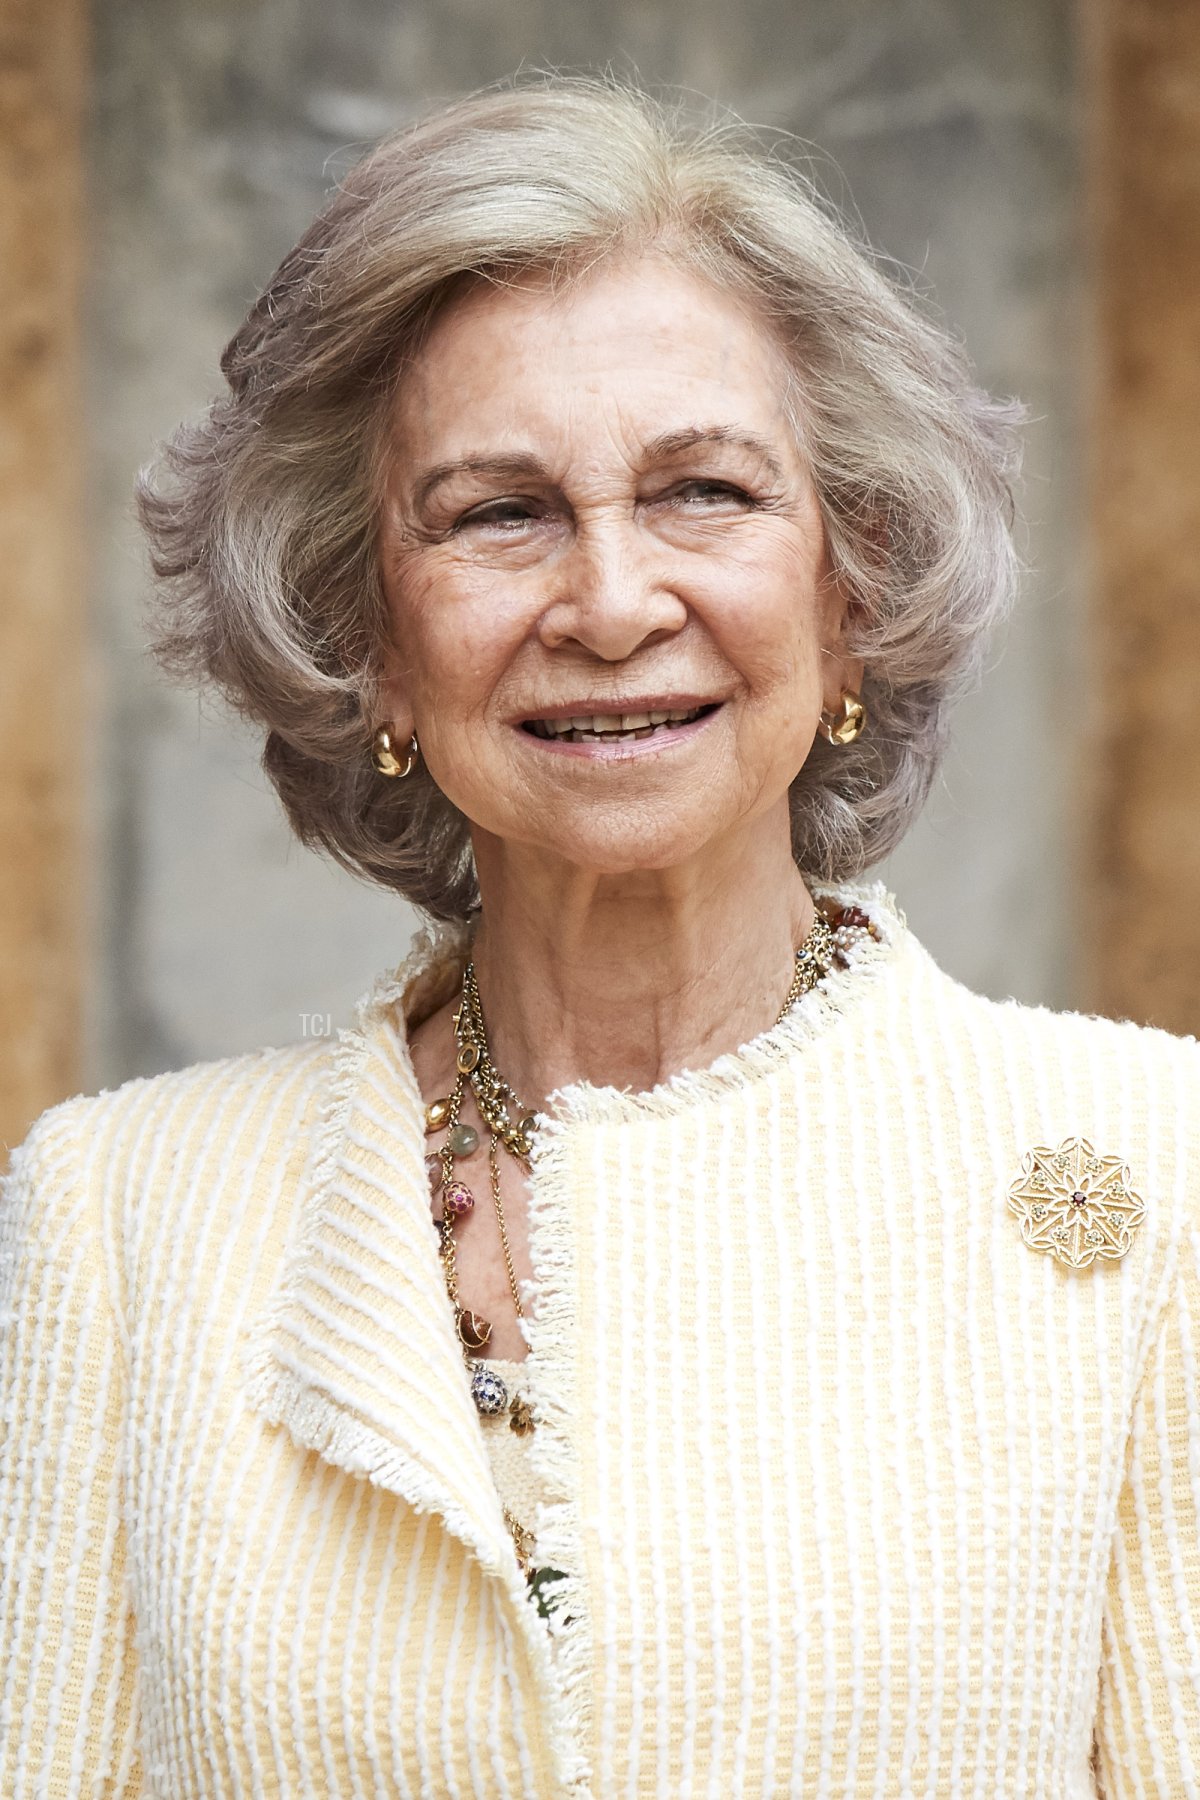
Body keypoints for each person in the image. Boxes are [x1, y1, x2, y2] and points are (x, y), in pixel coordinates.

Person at [2, 71, 1198, 1800]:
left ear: (850, 595)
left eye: (705, 491)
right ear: (373, 643)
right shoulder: (122, 1219)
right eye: (499, 514)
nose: (616, 603)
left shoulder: (1148, 1180)